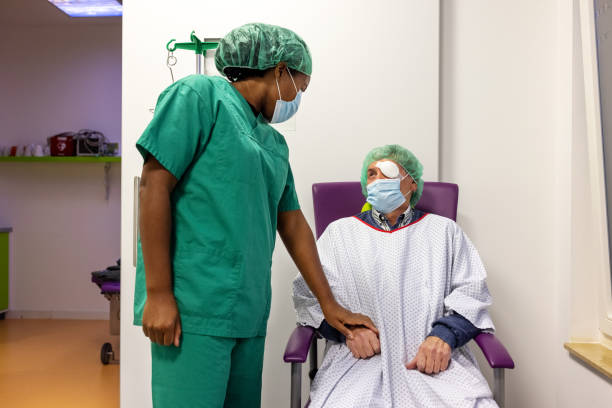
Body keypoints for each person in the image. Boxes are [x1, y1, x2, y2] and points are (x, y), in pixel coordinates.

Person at [133, 23, 376, 408]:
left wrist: (328, 304)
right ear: (279, 71)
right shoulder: (199, 96)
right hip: (192, 309)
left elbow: (292, 223)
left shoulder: (272, 143)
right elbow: (153, 185)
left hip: (246, 310)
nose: (297, 98)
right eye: (300, 87)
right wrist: (159, 294)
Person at [293, 144, 498, 407]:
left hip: (433, 361)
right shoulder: (339, 234)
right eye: (370, 174)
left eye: (386, 172)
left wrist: (444, 337)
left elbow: (472, 293)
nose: (376, 180)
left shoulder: (445, 232)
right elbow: (307, 296)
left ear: (411, 183)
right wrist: (347, 331)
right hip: (359, 361)